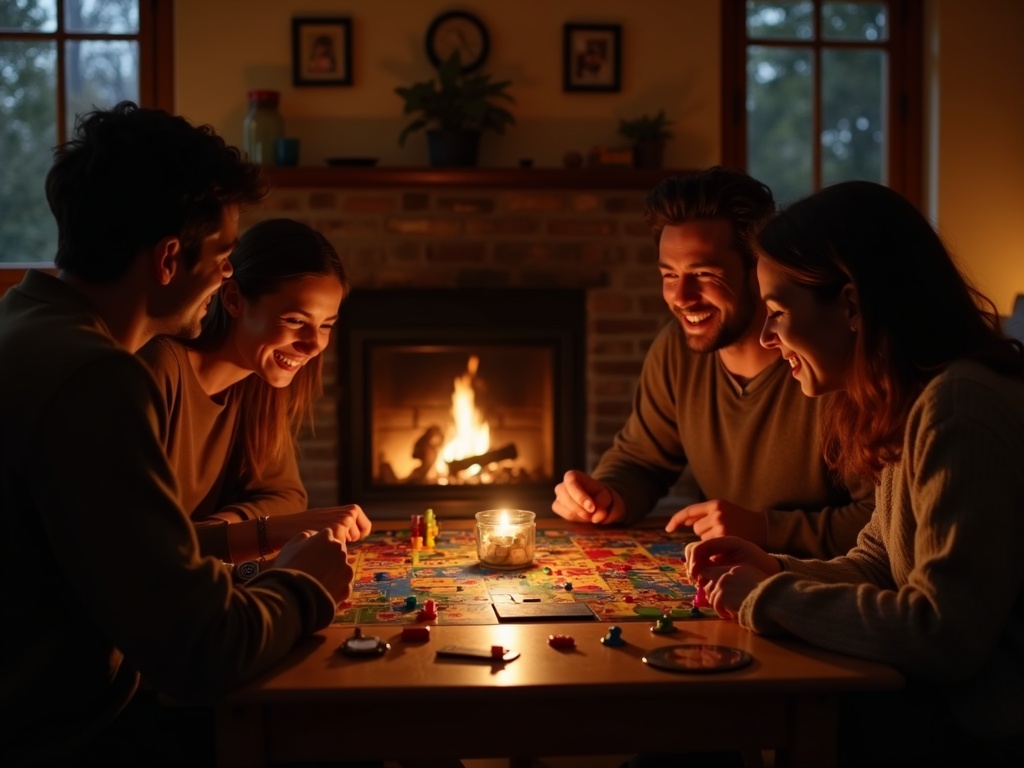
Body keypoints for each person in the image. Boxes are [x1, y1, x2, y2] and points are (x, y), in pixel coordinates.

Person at [0, 102, 354, 767]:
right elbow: (202, 647)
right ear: (169, 258)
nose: (227, 277)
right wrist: (304, 583)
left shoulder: (26, 324)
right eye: (223, 258)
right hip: (69, 736)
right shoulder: (96, 379)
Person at [688, 180, 1024, 766]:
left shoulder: (959, 407)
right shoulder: (905, 399)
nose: (767, 337)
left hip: (975, 732)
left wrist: (767, 596)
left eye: (777, 312)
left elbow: (942, 634)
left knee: (706, 735)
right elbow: (878, 563)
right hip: (918, 704)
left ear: (848, 305)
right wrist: (774, 566)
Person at [552, 167, 874, 559]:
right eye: (669, 274)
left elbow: (885, 520)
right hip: (732, 577)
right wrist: (606, 495)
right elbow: (642, 459)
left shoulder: (829, 361)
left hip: (821, 585)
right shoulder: (675, 349)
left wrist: (765, 529)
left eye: (703, 273)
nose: (682, 297)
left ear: (758, 268)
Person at [138, 218, 371, 568]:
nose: (313, 345)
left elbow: (286, 496)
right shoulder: (159, 369)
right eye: (294, 320)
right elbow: (138, 544)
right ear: (233, 298)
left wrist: (219, 528)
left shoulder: (259, 382)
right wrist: (263, 532)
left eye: (326, 325)